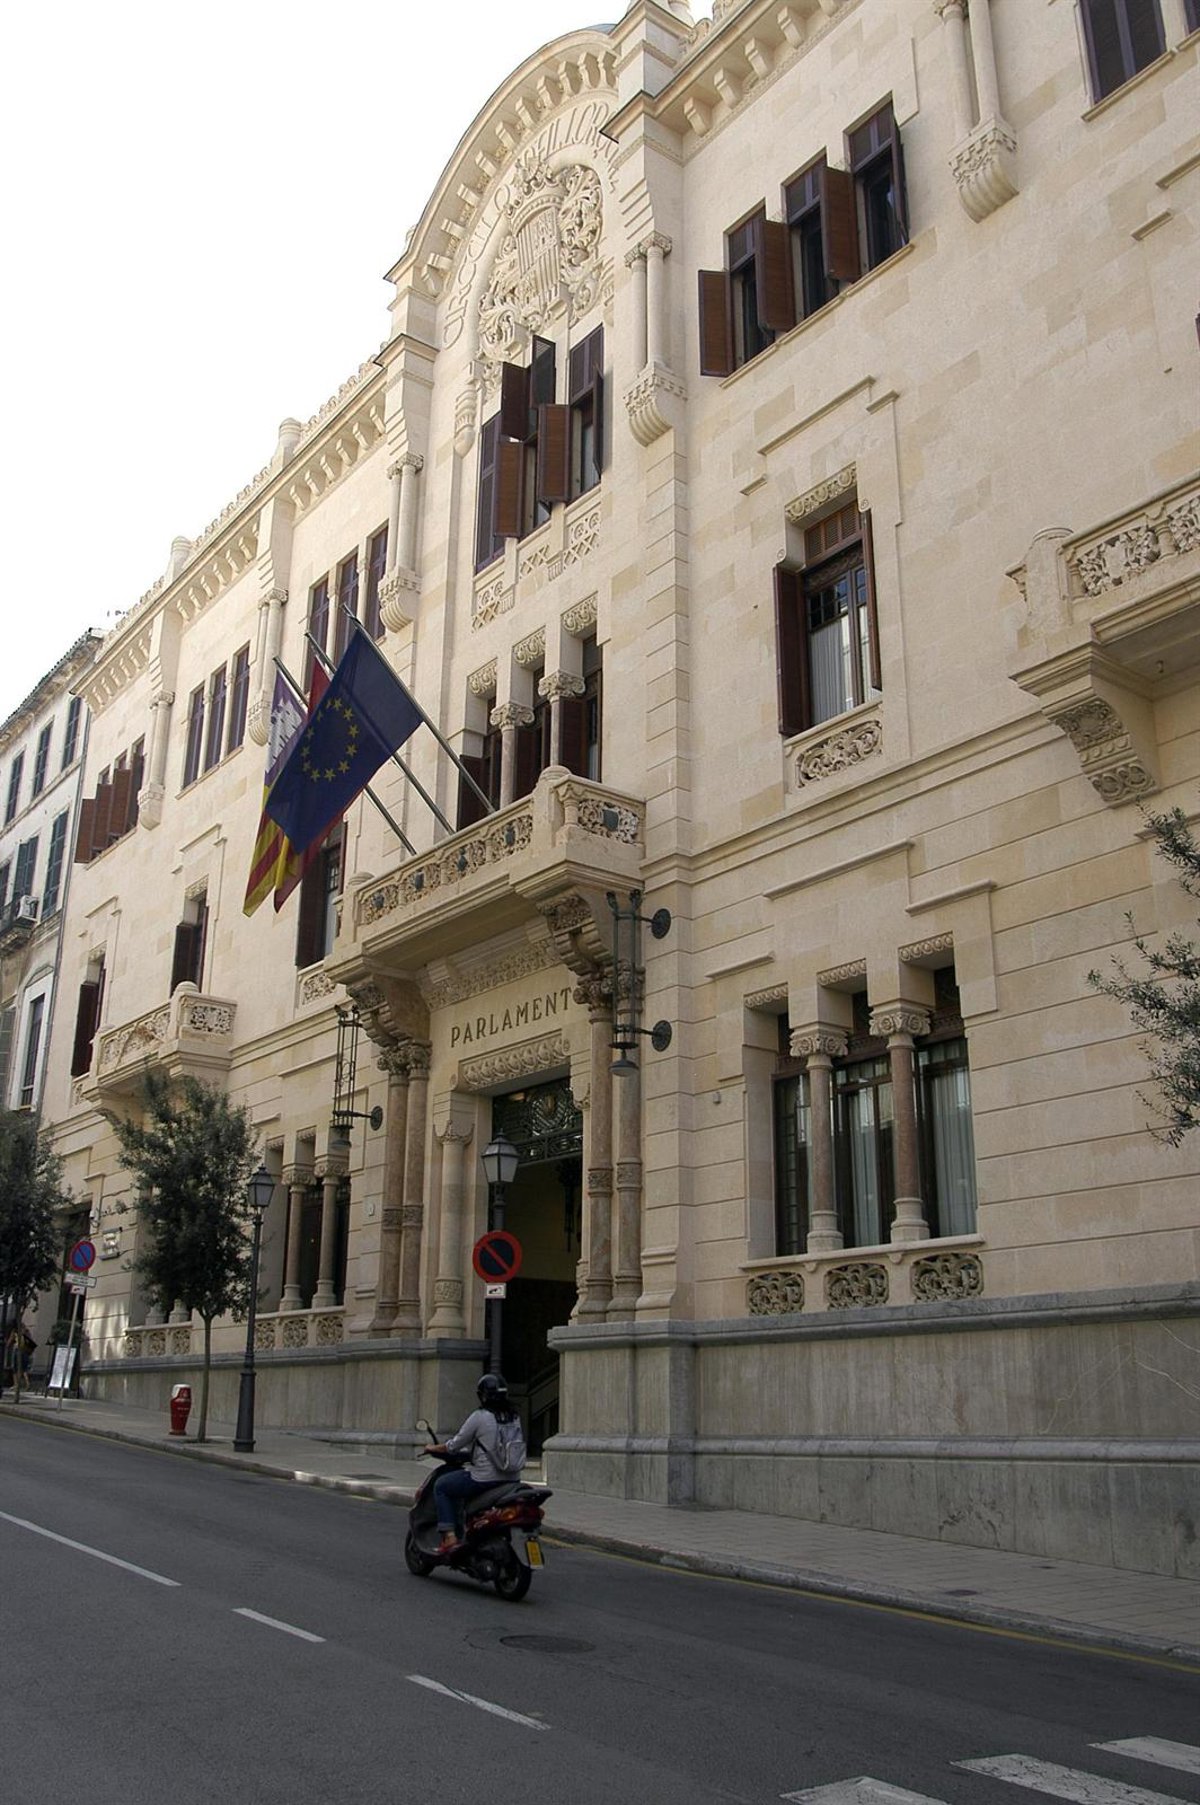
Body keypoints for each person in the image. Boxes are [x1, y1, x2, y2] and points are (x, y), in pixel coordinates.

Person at [424, 1372, 523, 1554]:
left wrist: (431, 1448)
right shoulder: (514, 1417)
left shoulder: (480, 1416)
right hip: (512, 1478)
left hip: (484, 1478)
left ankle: (449, 1536)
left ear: (482, 1395)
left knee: (442, 1486)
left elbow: (453, 1445)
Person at [4, 1321, 32, 1403]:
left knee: (15, 1369)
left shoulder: (15, 1332)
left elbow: (9, 1343)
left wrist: (7, 1343)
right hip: (25, 1351)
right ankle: (27, 1383)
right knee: (24, 1369)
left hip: (17, 1351)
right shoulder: (26, 1331)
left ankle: (16, 1385)